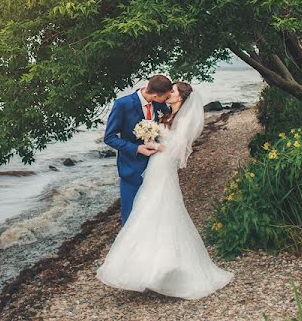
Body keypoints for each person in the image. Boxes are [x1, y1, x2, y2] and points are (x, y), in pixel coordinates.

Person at [96, 82, 235, 299]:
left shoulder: (178, 114)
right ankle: (143, 270)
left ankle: (161, 271)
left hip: (161, 167)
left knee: (159, 213)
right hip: (141, 169)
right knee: (142, 216)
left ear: (179, 97)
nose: (170, 94)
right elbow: (111, 137)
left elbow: (180, 148)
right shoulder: (150, 108)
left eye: (174, 91)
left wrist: (158, 145)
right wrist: (141, 145)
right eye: (168, 91)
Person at [103, 74, 172, 225]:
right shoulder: (122, 104)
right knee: (130, 216)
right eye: (165, 98)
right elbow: (109, 137)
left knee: (153, 213)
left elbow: (166, 121)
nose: (167, 101)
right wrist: (137, 148)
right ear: (155, 94)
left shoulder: (159, 104)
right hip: (131, 167)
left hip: (156, 167)